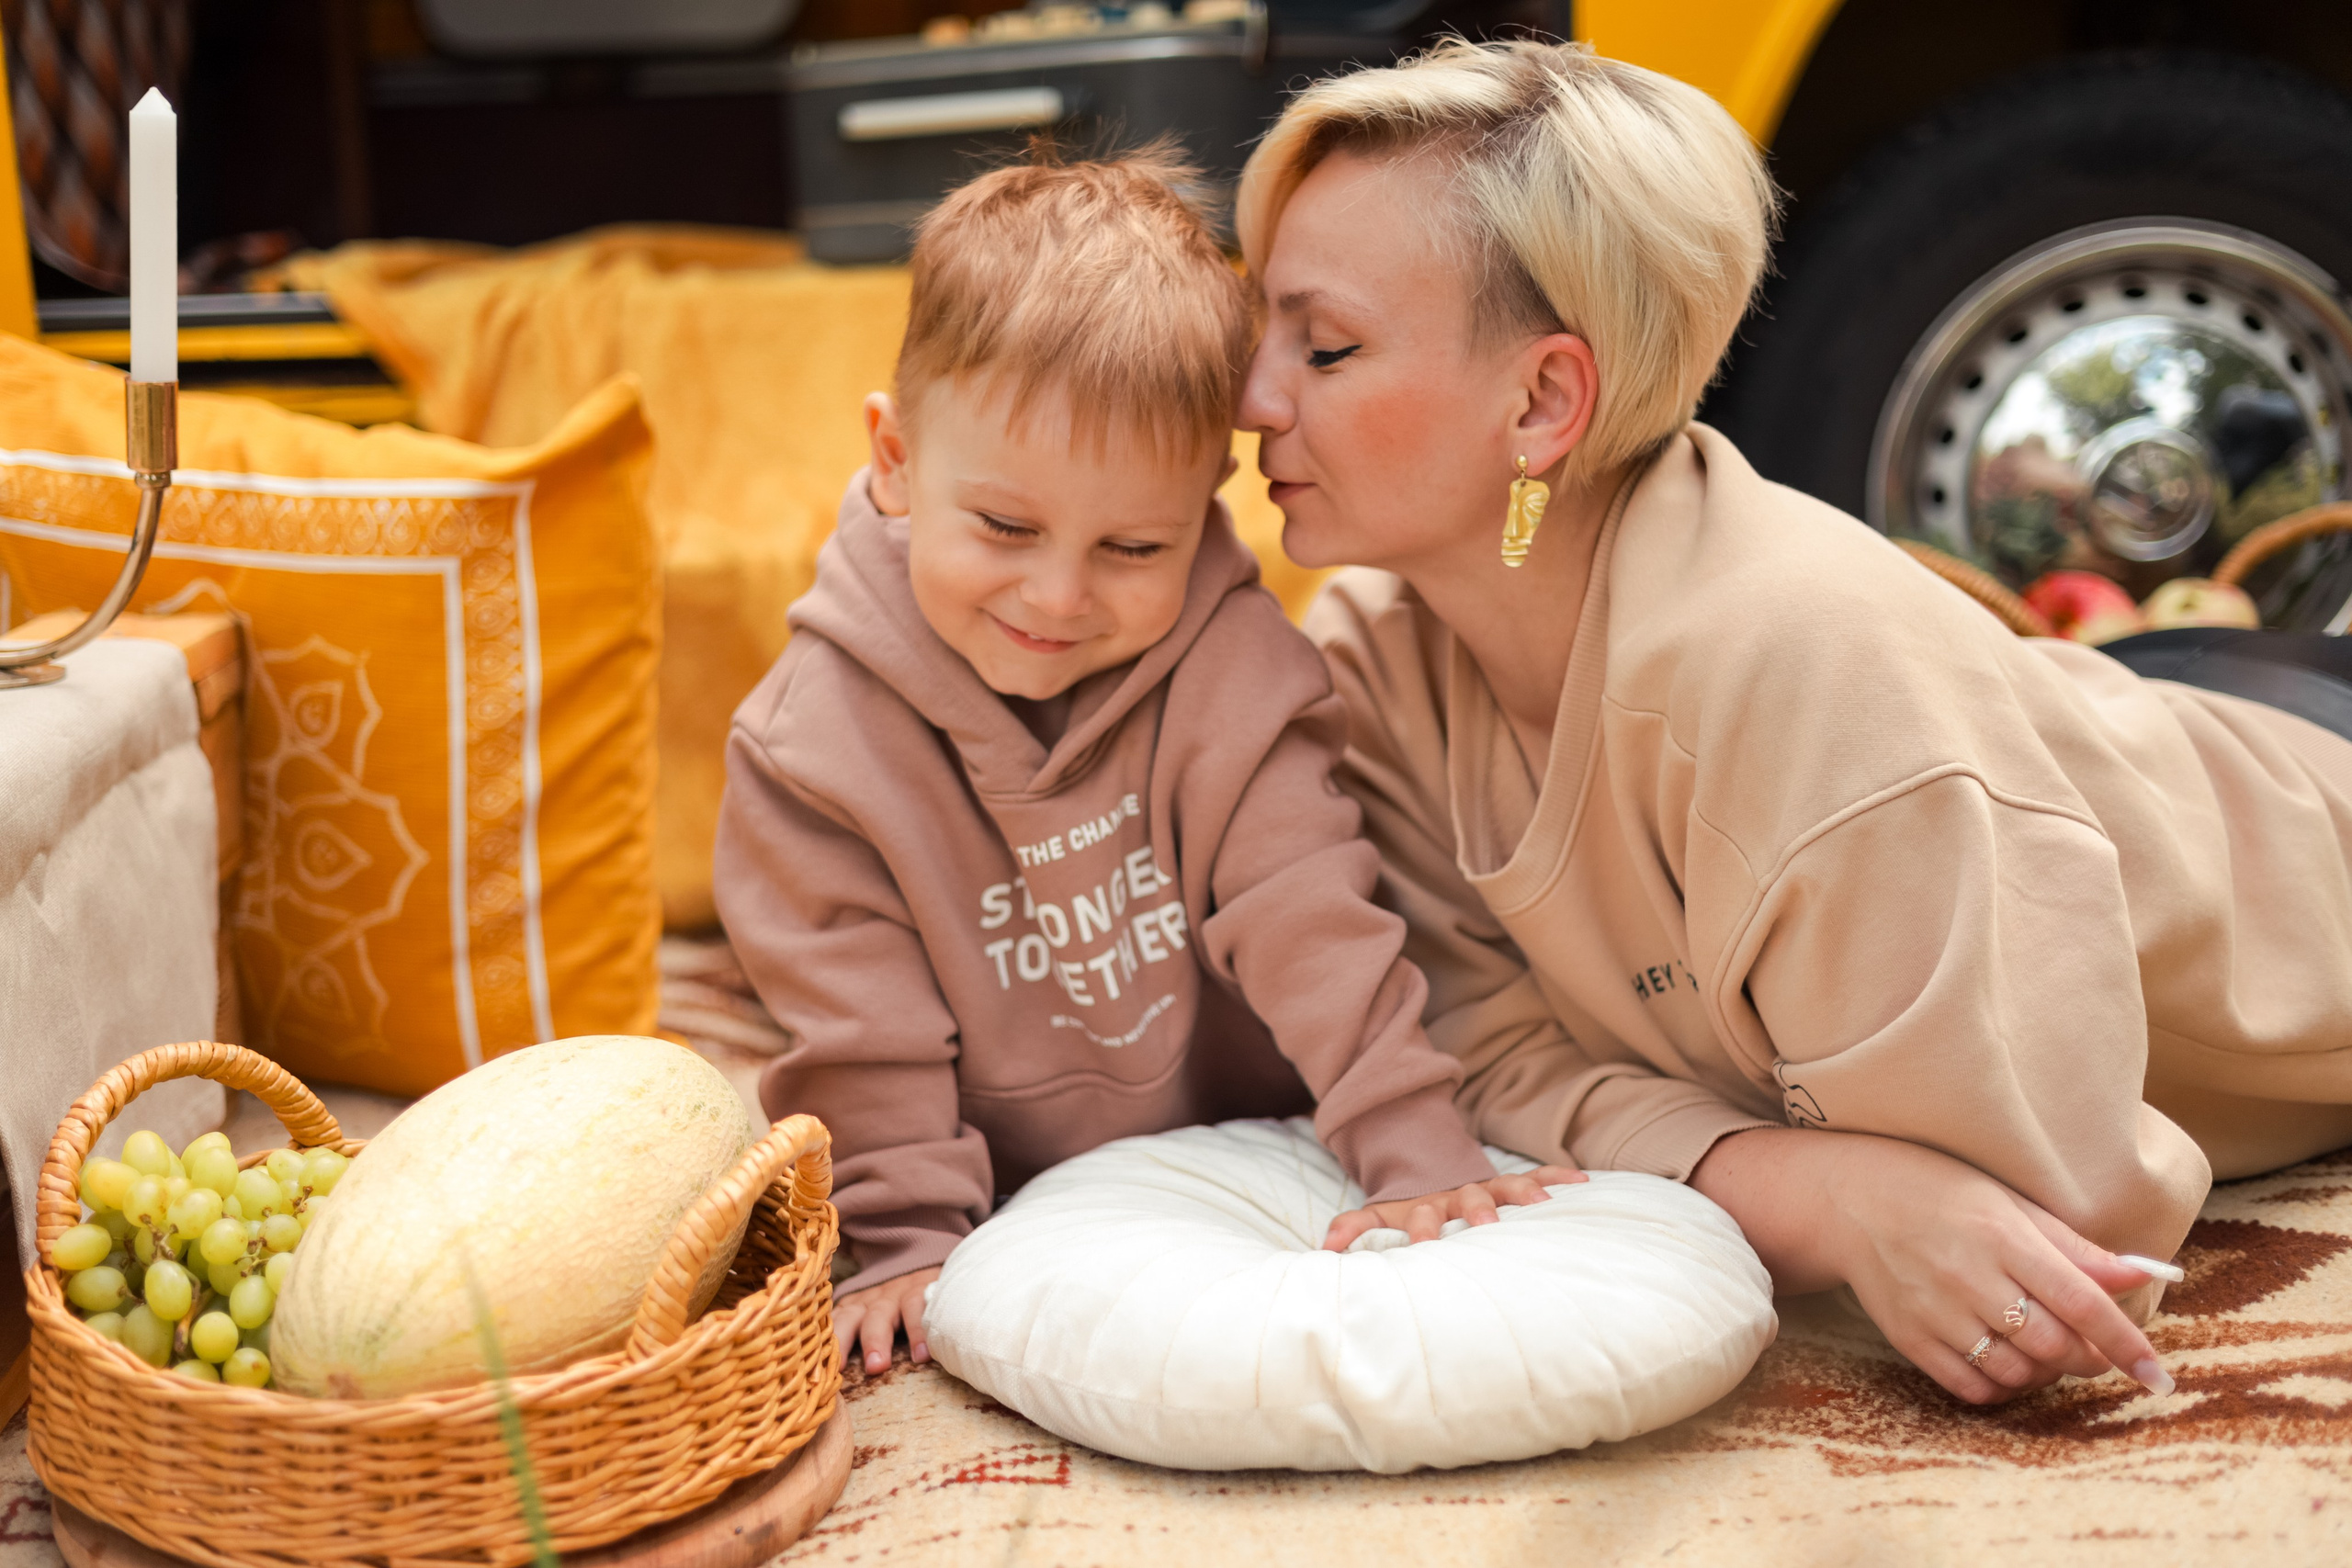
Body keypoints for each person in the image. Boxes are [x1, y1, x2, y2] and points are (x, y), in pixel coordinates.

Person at [1238, 38, 2352, 1404]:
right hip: (2159, 699)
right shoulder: (1374, 659)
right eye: (1266, 334)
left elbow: (2049, 1223)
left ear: (1541, 403)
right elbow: (1482, 1061)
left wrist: (1838, 1192)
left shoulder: (1804, 672)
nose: (1252, 403)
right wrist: (1819, 1192)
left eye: (1326, 346)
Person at [714, 146, 1576, 1378]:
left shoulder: (1233, 669)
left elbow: (1310, 914)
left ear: (1206, 505)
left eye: (1133, 546)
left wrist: (1412, 1145)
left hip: (1244, 1144)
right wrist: (905, 1237)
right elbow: (857, 1024)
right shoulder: (811, 747)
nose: (1057, 596)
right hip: (992, 1190)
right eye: (1005, 527)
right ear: (897, 461)